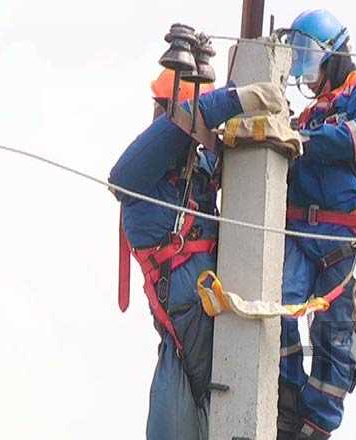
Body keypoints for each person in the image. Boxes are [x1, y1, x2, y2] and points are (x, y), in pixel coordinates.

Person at [109, 69, 285, 440]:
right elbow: (123, 174)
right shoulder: (143, 181)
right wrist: (234, 100)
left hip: (209, 330)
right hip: (187, 335)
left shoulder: (195, 169)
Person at [277, 9, 356, 440]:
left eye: (307, 60)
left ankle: (315, 426)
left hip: (350, 237)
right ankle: (287, 400)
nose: (306, 75)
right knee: (274, 308)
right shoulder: (309, 115)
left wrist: (303, 142)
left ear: (332, 53)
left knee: (335, 342)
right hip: (302, 235)